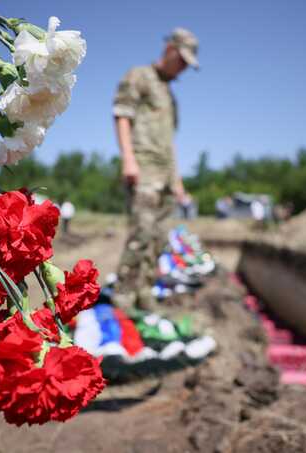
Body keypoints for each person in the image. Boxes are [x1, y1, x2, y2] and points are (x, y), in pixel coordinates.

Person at [111, 27, 199, 311]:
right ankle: (124, 296)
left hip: (165, 175)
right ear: (170, 49)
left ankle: (145, 291)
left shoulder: (170, 95)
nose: (183, 68)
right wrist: (129, 159)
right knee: (142, 234)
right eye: (182, 60)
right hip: (144, 167)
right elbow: (122, 115)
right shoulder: (140, 76)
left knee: (159, 238)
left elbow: (170, 141)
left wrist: (178, 180)